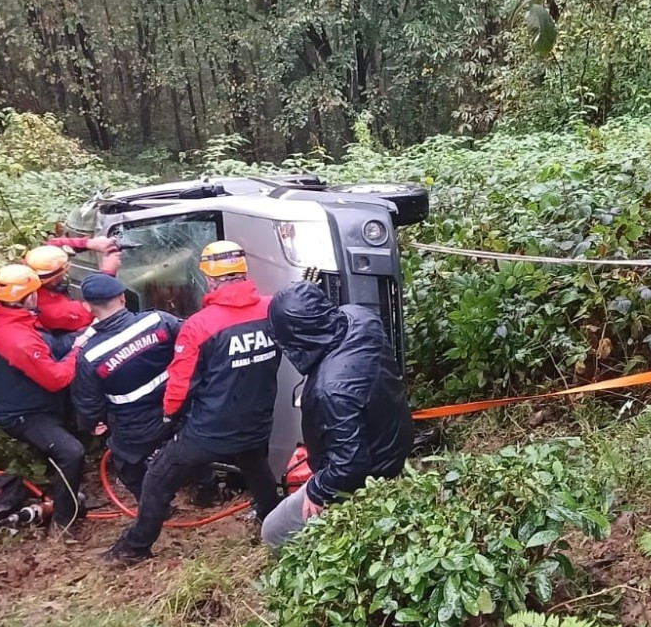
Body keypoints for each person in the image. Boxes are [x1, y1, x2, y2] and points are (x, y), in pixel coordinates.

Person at [102, 241, 282, 564]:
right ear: (243, 273)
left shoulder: (199, 326)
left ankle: (134, 548)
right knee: (259, 473)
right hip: (256, 423)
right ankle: (273, 523)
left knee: (158, 477)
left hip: (210, 430)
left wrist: (169, 417)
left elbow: (179, 386)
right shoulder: (273, 311)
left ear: (211, 280)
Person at [261, 281, 413, 549]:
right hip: (393, 441)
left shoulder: (328, 390)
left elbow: (350, 465)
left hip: (372, 473)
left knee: (274, 531)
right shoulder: (360, 316)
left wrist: (317, 491)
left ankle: (308, 576)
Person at [0, 264, 90, 534]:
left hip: (30, 401)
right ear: (28, 297)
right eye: (36, 291)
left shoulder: (6, 316)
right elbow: (56, 379)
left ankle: (66, 494)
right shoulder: (19, 339)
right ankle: (63, 523)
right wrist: (77, 350)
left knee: (77, 433)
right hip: (24, 414)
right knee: (71, 451)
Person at [70, 274, 183, 500]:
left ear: (88, 307)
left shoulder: (89, 355)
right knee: (190, 449)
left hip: (136, 428)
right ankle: (208, 491)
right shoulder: (159, 320)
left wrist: (92, 425)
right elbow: (193, 340)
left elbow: (89, 404)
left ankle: (157, 507)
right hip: (179, 410)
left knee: (125, 465)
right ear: (122, 298)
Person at [25, 237, 121, 334]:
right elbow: (95, 308)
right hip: (63, 335)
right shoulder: (56, 311)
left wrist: (89, 243)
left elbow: (54, 244)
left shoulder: (26, 272)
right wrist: (108, 272)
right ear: (53, 280)